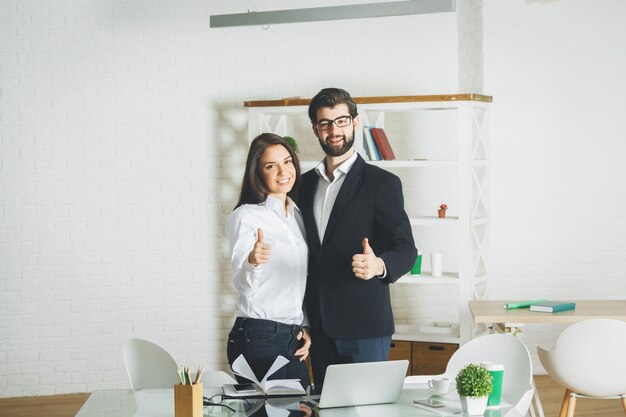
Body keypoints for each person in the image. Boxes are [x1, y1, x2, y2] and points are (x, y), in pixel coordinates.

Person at [298, 88, 417, 384]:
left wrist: (379, 266)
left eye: (341, 121)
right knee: (327, 408)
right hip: (319, 328)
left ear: (355, 122)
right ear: (315, 129)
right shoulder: (302, 185)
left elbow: (405, 248)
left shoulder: (382, 184)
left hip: (365, 327)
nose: (334, 130)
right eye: (325, 123)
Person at [226, 133, 311, 385]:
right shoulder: (246, 216)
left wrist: (304, 325)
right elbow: (241, 285)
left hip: (291, 335)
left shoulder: (296, 215)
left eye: (287, 161)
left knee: (300, 410)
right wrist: (253, 262)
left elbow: (297, 278)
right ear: (258, 172)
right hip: (258, 335)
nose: (283, 171)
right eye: (271, 166)